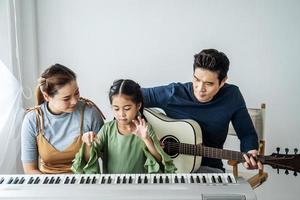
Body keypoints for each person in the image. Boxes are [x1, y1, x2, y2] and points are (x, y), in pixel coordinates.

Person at [142, 49, 263, 173]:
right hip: (166, 167)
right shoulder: (174, 93)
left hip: (209, 169)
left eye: (209, 84)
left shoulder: (232, 96)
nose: (200, 88)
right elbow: (130, 98)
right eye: (197, 79)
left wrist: (251, 151)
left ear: (222, 81)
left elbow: (246, 133)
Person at [72, 79, 176, 174]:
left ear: (138, 106)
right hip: (113, 187)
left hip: (141, 186)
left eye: (127, 108)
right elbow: (88, 159)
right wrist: (88, 144)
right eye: (116, 109)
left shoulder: (145, 128)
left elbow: (159, 161)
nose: (121, 114)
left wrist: (146, 139)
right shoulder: (107, 130)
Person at [21, 64, 105, 174]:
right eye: (66, 98)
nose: (75, 101)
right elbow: (30, 169)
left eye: (76, 93)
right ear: (47, 97)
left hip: (85, 182)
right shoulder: (32, 120)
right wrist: (52, 188)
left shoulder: (90, 113)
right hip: (47, 185)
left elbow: (105, 156)